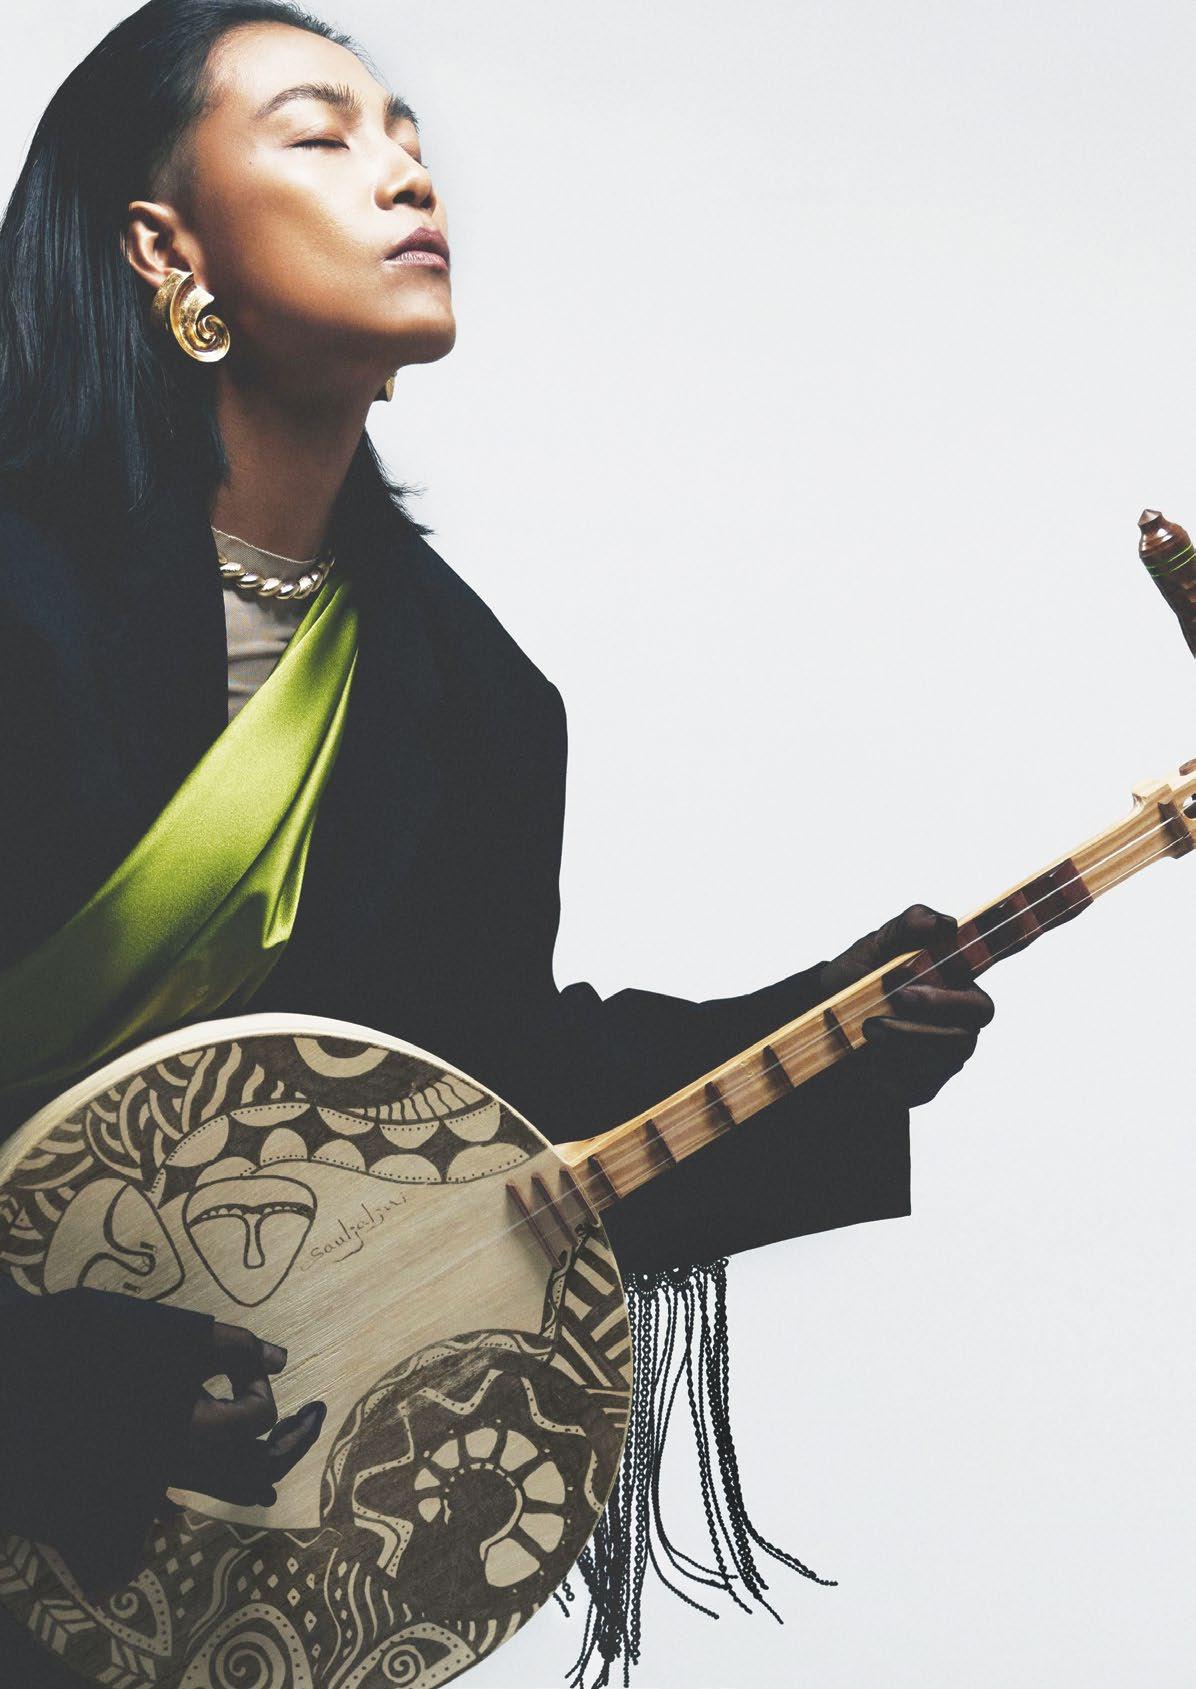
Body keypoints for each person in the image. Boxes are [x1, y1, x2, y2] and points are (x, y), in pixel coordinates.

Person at [0, 2, 995, 1683]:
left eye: (409, 139)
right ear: (166, 247)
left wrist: (828, 1032)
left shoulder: (470, 699)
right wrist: (58, 1384)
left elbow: (467, 1120)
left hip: (143, 1587)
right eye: (322, 135)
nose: (406, 175)